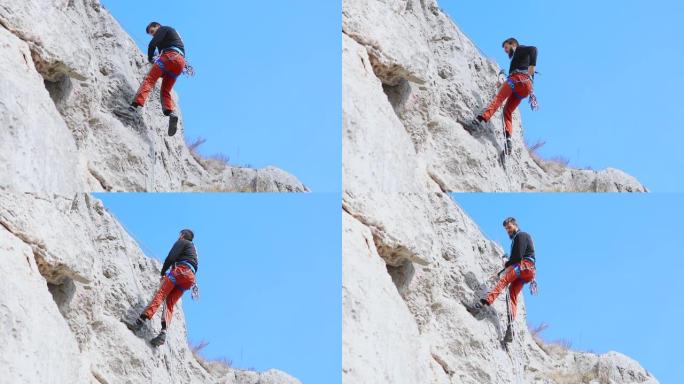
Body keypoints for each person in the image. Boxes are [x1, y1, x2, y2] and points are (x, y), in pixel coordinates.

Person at [467, 217, 536, 342]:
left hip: (523, 266)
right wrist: (502, 271)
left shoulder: (521, 235)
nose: (508, 231)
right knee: (511, 294)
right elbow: (515, 260)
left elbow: (517, 258)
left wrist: (505, 265)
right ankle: (511, 327)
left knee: (503, 282)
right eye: (506, 229)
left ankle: (480, 305)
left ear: (515, 225)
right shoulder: (518, 238)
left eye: (509, 228)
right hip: (527, 272)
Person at [127, 229, 198, 346]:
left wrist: (163, 272)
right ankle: (163, 333)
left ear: (182, 235)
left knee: (161, 294)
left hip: (181, 271)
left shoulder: (182, 242)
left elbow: (171, 257)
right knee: (169, 303)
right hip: (189, 279)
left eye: (179, 235)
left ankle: (140, 322)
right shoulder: (193, 249)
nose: (178, 237)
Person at [473, 38, 537, 153]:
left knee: (499, 99)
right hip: (525, 87)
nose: (506, 51)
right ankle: (508, 139)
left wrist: (532, 65)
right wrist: (504, 83)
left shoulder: (519, 49)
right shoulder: (518, 59)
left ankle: (478, 121)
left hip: (517, 80)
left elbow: (533, 49)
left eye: (506, 48)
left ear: (513, 44)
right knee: (507, 110)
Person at [130, 22, 186, 136]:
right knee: (165, 90)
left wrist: (150, 58)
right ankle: (171, 113)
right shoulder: (172, 35)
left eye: (152, 31)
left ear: (157, 26)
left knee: (149, 80)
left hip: (170, 56)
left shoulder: (163, 29)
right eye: (151, 33)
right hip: (179, 64)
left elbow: (152, 44)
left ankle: (134, 106)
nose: (152, 34)